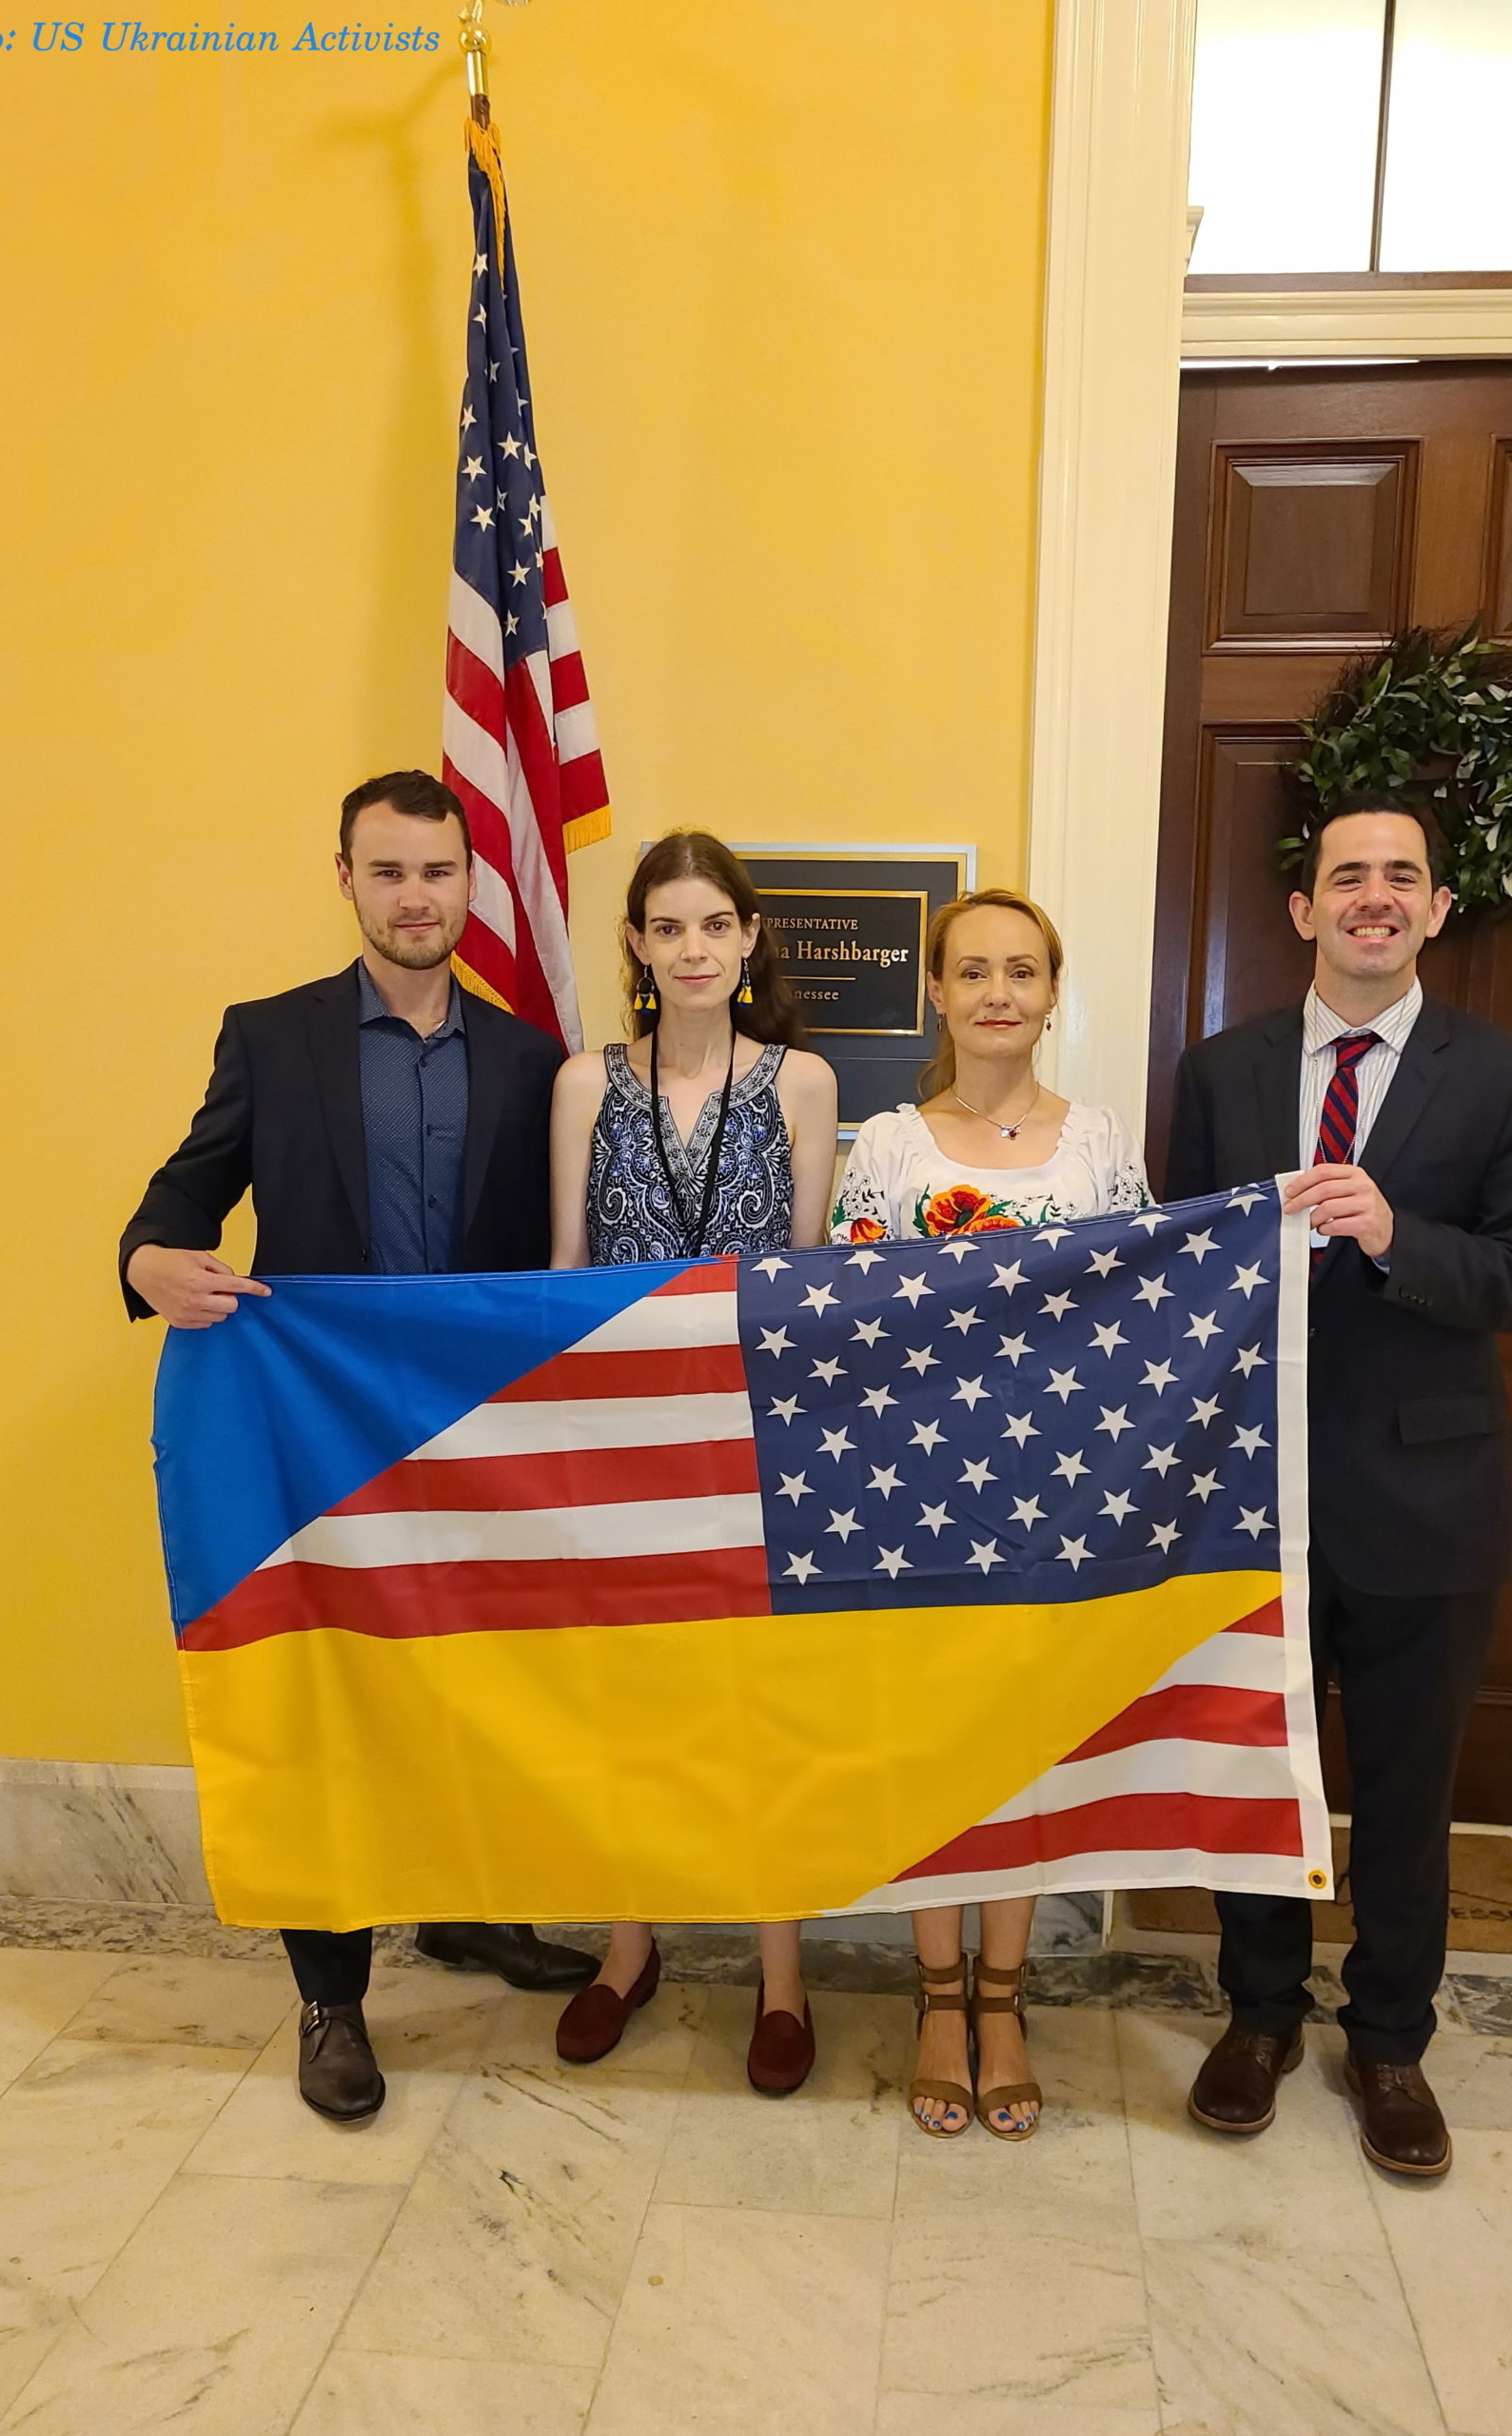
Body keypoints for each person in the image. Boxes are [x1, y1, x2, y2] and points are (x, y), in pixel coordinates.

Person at [119, 769, 598, 2124]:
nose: (414, 897)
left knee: (472, 1683)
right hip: (318, 1440)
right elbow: (185, 1191)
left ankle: (470, 1913)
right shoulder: (268, 1038)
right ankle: (331, 1996)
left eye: (436, 873)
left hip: (471, 1444)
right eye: (387, 872)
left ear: (468, 885)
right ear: (345, 879)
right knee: (330, 1705)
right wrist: (148, 1257)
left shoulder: (527, 1058)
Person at [1161, 794, 1512, 2177]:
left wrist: (1399, 1235)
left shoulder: (1508, 1077)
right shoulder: (1220, 1071)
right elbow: (1177, 1273)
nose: (1374, 897)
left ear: (1436, 910)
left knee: (1402, 1790)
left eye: (1402, 877)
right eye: (1348, 876)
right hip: (1249, 1496)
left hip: (1423, 1504)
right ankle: (1258, 2018)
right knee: (1255, 1777)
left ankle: (1388, 2039)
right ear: (1303, 910)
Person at [830, 887, 1150, 2140]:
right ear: (937, 992)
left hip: (1055, 1498)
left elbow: (1138, 1317)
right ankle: (932, 1998)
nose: (997, 992)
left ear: (1052, 992)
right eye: (972, 971)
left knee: (1023, 1750)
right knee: (929, 1746)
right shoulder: (888, 1146)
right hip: (920, 1496)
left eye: (1021, 970)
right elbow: (849, 1320)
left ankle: (1002, 2003)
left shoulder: (1101, 1142)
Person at [547, 829, 838, 2092]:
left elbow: (813, 1277)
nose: (693, 949)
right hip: (616, 1438)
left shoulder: (801, 1082)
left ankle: (780, 1975)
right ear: (635, 945)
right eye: (667, 927)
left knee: (751, 1707)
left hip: (749, 1435)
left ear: (748, 938)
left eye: (713, 924)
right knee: (629, 1703)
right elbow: (561, 1272)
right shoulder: (580, 1084)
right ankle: (627, 1947)